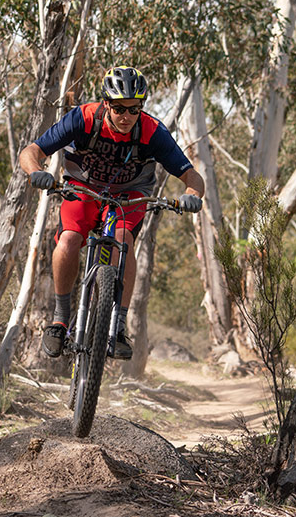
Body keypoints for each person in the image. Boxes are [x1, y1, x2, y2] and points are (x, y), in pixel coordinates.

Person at [18, 66, 205, 360]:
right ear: (106, 103)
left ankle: (117, 326)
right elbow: (31, 152)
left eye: (134, 109)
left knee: (123, 239)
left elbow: (193, 178)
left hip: (130, 195)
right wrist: (35, 172)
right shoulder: (83, 118)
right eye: (119, 108)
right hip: (84, 187)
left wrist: (192, 196)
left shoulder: (153, 131)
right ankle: (60, 319)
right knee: (68, 239)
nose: (126, 116)